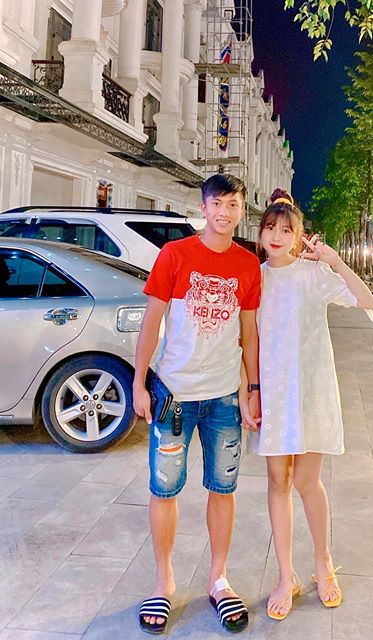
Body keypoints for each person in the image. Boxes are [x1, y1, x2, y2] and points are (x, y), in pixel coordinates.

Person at [133, 174, 261, 635]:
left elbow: (249, 333)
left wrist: (253, 388)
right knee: (164, 488)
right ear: (203, 207)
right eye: (217, 204)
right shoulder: (175, 255)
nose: (225, 212)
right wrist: (139, 381)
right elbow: (151, 322)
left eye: (233, 204)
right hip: (174, 396)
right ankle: (163, 581)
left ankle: (218, 579)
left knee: (223, 488)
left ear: (241, 210)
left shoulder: (248, 264)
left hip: (224, 396)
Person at [241, 189, 373, 621]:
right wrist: (250, 390)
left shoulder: (313, 275)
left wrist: (334, 261)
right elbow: (245, 340)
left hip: (311, 390)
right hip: (272, 392)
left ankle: (323, 562)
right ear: (260, 233)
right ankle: (286, 575)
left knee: (307, 481)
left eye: (287, 230)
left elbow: (366, 300)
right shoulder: (254, 277)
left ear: (300, 237)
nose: (277, 236)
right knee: (277, 481)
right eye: (270, 228)